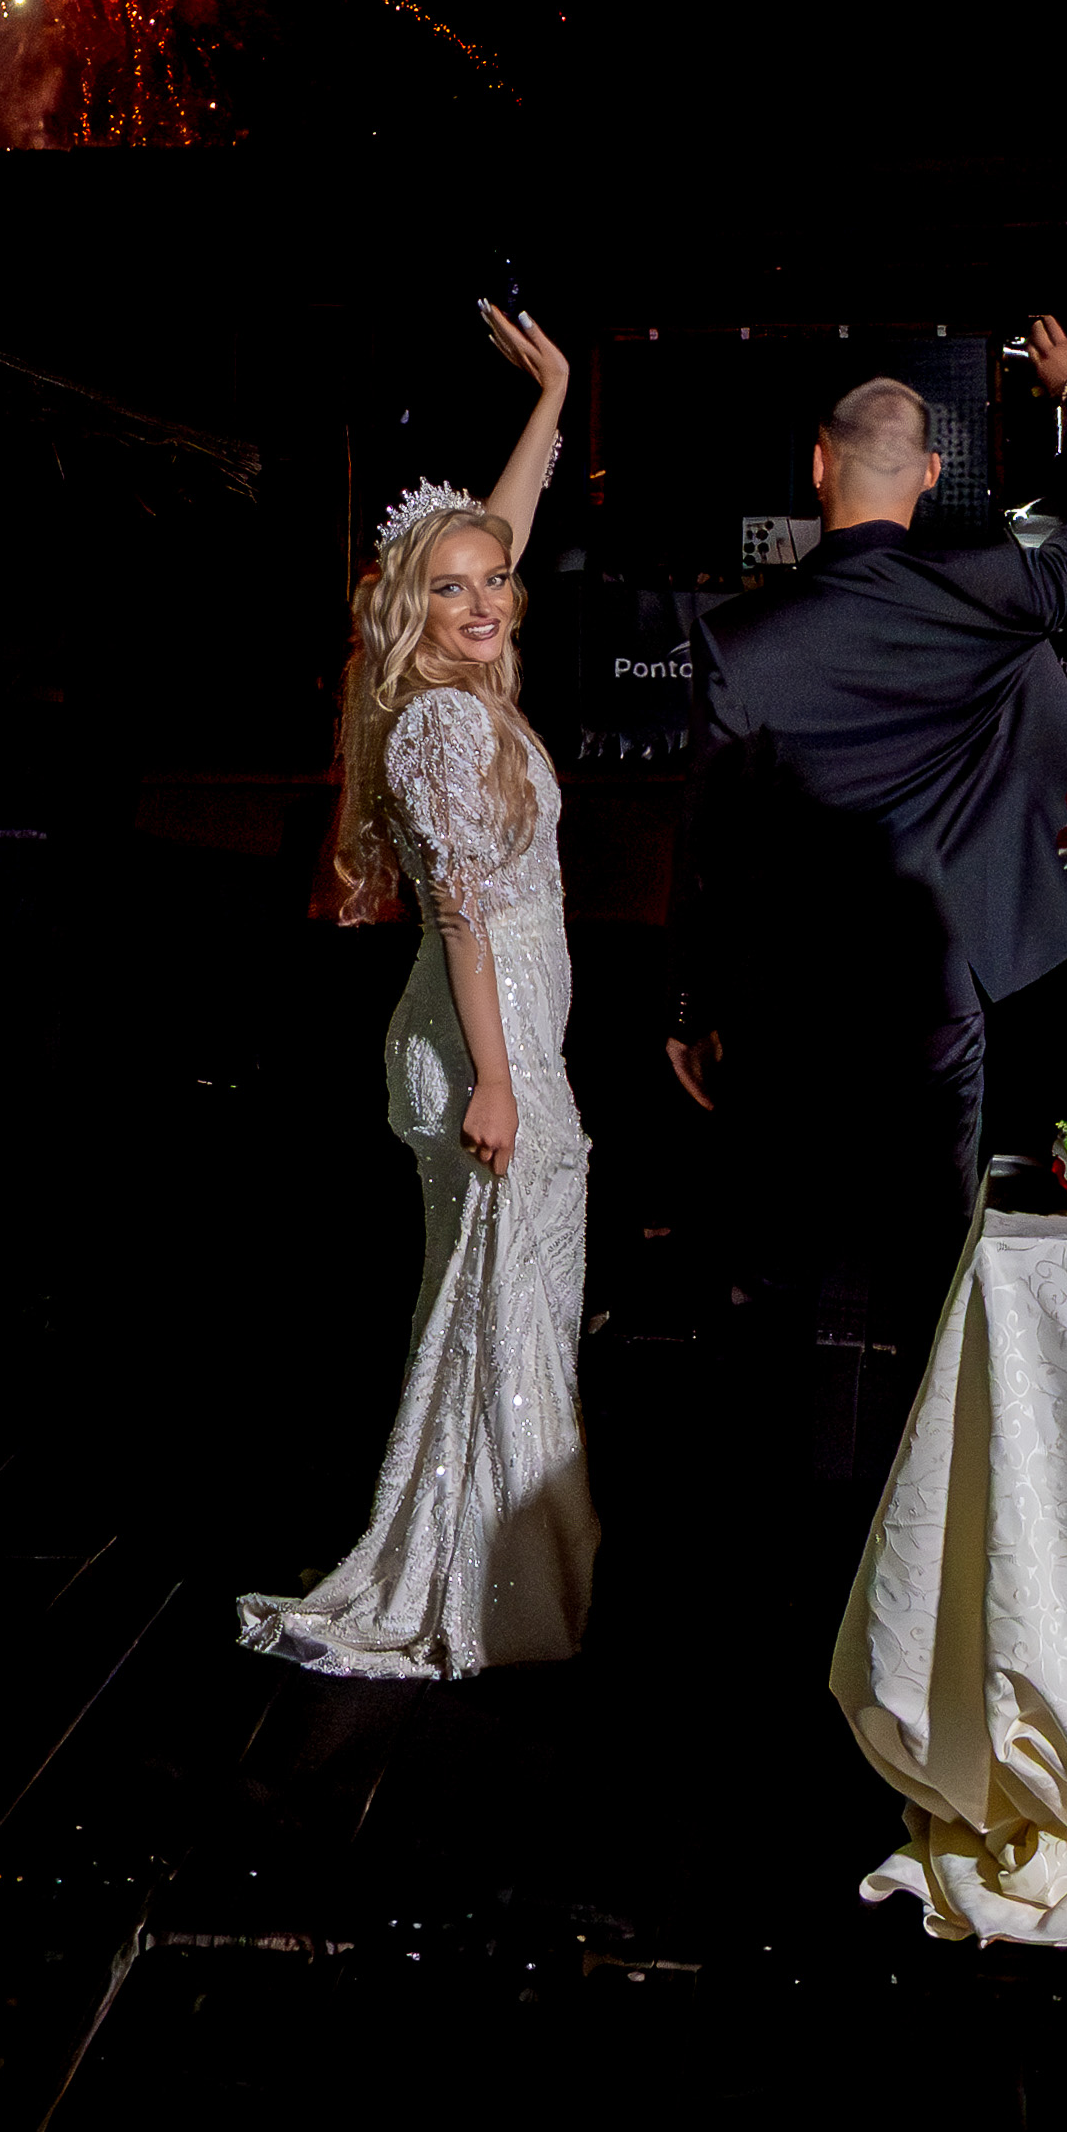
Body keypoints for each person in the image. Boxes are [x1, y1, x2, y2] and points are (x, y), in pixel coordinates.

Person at [662, 317, 1067, 1497]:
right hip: (931, 996)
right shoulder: (986, 595)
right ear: (928, 474)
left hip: (786, 1009)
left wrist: (692, 1007)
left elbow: (713, 846)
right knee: (930, 1275)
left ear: (816, 466)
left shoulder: (739, 640)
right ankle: (929, 1516)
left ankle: (769, 1523)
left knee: (771, 1282)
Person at [241, 303, 600, 1678]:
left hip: (503, 1031)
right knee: (502, 1309)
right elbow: (460, 910)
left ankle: (500, 1561)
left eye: (491, 581)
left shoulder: (466, 690)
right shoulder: (444, 718)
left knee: (509, 1304)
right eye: (450, 589)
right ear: (411, 609)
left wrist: (550, 394)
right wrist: (499, 1081)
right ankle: (476, 1582)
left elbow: (497, 532)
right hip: (480, 1045)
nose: (483, 599)